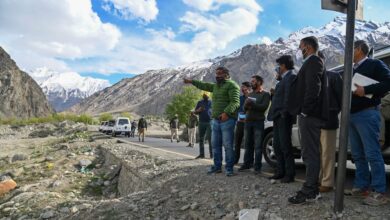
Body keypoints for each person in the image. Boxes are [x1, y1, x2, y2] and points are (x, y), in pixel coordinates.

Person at [347, 40, 390, 206]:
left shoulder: (375, 64)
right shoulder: (351, 70)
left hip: (367, 114)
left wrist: (366, 90)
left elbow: (388, 82)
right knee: (357, 155)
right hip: (351, 116)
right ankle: (361, 186)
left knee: (372, 153)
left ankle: (379, 191)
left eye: (351, 49)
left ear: (358, 49)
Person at [287, 36, 327, 204]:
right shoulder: (312, 62)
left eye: (300, 47)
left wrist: (305, 111)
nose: (299, 50)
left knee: (310, 153)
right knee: (309, 152)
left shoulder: (314, 61)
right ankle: (312, 189)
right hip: (308, 115)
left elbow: (313, 87)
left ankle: (310, 191)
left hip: (310, 116)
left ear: (308, 47)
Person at [183, 66, 240, 176]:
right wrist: (191, 81)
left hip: (227, 120)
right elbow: (203, 85)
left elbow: (235, 102)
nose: (217, 76)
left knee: (228, 146)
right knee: (215, 145)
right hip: (215, 121)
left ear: (226, 75)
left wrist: (226, 113)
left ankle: (229, 169)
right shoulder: (215, 87)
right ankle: (217, 167)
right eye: (216, 73)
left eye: (220, 73)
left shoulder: (232, 85)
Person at [267, 55, 296, 183]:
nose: (277, 68)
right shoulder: (282, 80)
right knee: (277, 145)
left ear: (283, 65)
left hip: (284, 116)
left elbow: (289, 97)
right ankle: (280, 171)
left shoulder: (291, 77)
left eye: (279, 65)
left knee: (285, 145)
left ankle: (289, 174)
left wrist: (284, 113)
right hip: (277, 116)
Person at [317, 51, 343, 193]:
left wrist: (331, 111)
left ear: (323, 61)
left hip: (328, 121)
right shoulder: (311, 78)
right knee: (317, 153)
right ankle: (318, 179)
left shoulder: (333, 76)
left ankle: (327, 183)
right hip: (314, 122)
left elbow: (341, 99)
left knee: (327, 153)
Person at [239, 75, 270, 174]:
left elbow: (263, 107)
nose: (251, 83)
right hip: (248, 122)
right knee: (247, 144)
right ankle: (246, 164)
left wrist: (252, 104)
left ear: (259, 82)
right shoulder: (250, 94)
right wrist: (246, 105)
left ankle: (257, 167)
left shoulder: (265, 94)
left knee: (258, 146)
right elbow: (244, 109)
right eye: (251, 81)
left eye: (253, 81)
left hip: (258, 122)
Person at [234, 82, 251, 164]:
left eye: (243, 87)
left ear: (248, 88)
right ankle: (235, 160)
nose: (242, 89)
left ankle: (247, 162)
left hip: (249, 123)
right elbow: (237, 109)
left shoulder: (252, 97)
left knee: (248, 143)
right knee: (237, 142)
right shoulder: (239, 98)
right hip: (240, 122)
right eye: (241, 87)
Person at [194, 93, 213, 159]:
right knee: (201, 139)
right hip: (201, 122)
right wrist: (198, 110)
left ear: (209, 95)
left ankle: (212, 155)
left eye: (207, 95)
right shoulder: (200, 102)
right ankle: (202, 154)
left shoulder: (212, 102)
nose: (205, 96)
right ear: (203, 95)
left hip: (210, 122)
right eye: (204, 94)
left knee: (210, 139)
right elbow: (195, 112)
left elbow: (215, 111)